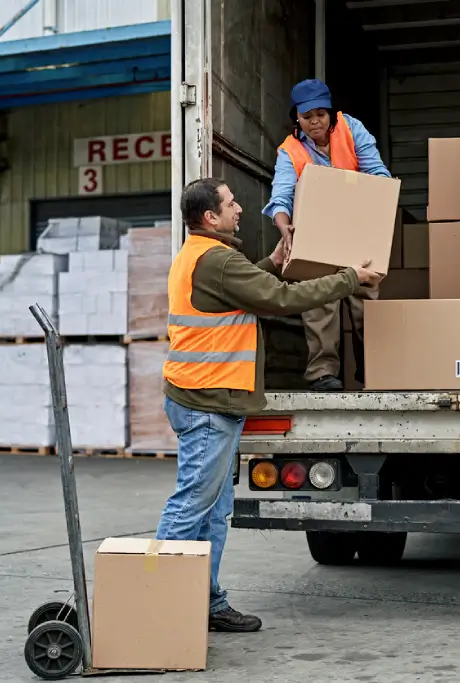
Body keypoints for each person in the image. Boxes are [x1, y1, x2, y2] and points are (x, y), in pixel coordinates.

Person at [157, 177, 382, 633]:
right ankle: (159, 612)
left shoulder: (201, 255)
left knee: (214, 510)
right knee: (190, 508)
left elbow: (241, 292)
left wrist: (273, 264)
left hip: (205, 397)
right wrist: (348, 279)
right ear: (210, 217)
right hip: (207, 402)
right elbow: (279, 300)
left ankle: (207, 602)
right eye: (231, 202)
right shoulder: (217, 259)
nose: (239, 208)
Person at [262, 78, 393, 391]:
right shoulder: (289, 150)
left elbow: (377, 173)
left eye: (321, 114)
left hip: (357, 227)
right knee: (319, 301)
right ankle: (322, 374)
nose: (315, 121)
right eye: (307, 116)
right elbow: (280, 196)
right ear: (297, 117)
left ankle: (372, 368)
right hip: (315, 233)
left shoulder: (350, 128)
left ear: (331, 112)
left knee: (364, 300)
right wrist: (284, 225)